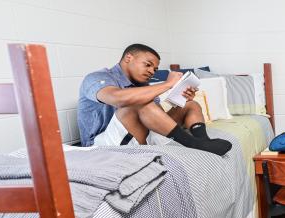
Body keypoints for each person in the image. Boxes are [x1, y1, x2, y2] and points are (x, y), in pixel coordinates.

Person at [77, 43, 232, 156]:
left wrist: (179, 99)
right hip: (101, 145)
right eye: (148, 65)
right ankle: (194, 144)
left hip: (138, 134)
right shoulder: (97, 78)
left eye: (155, 69)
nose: (152, 71)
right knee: (137, 102)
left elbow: (155, 117)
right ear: (128, 58)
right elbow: (117, 99)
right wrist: (168, 84)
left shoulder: (142, 86)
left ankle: (203, 142)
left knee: (190, 104)